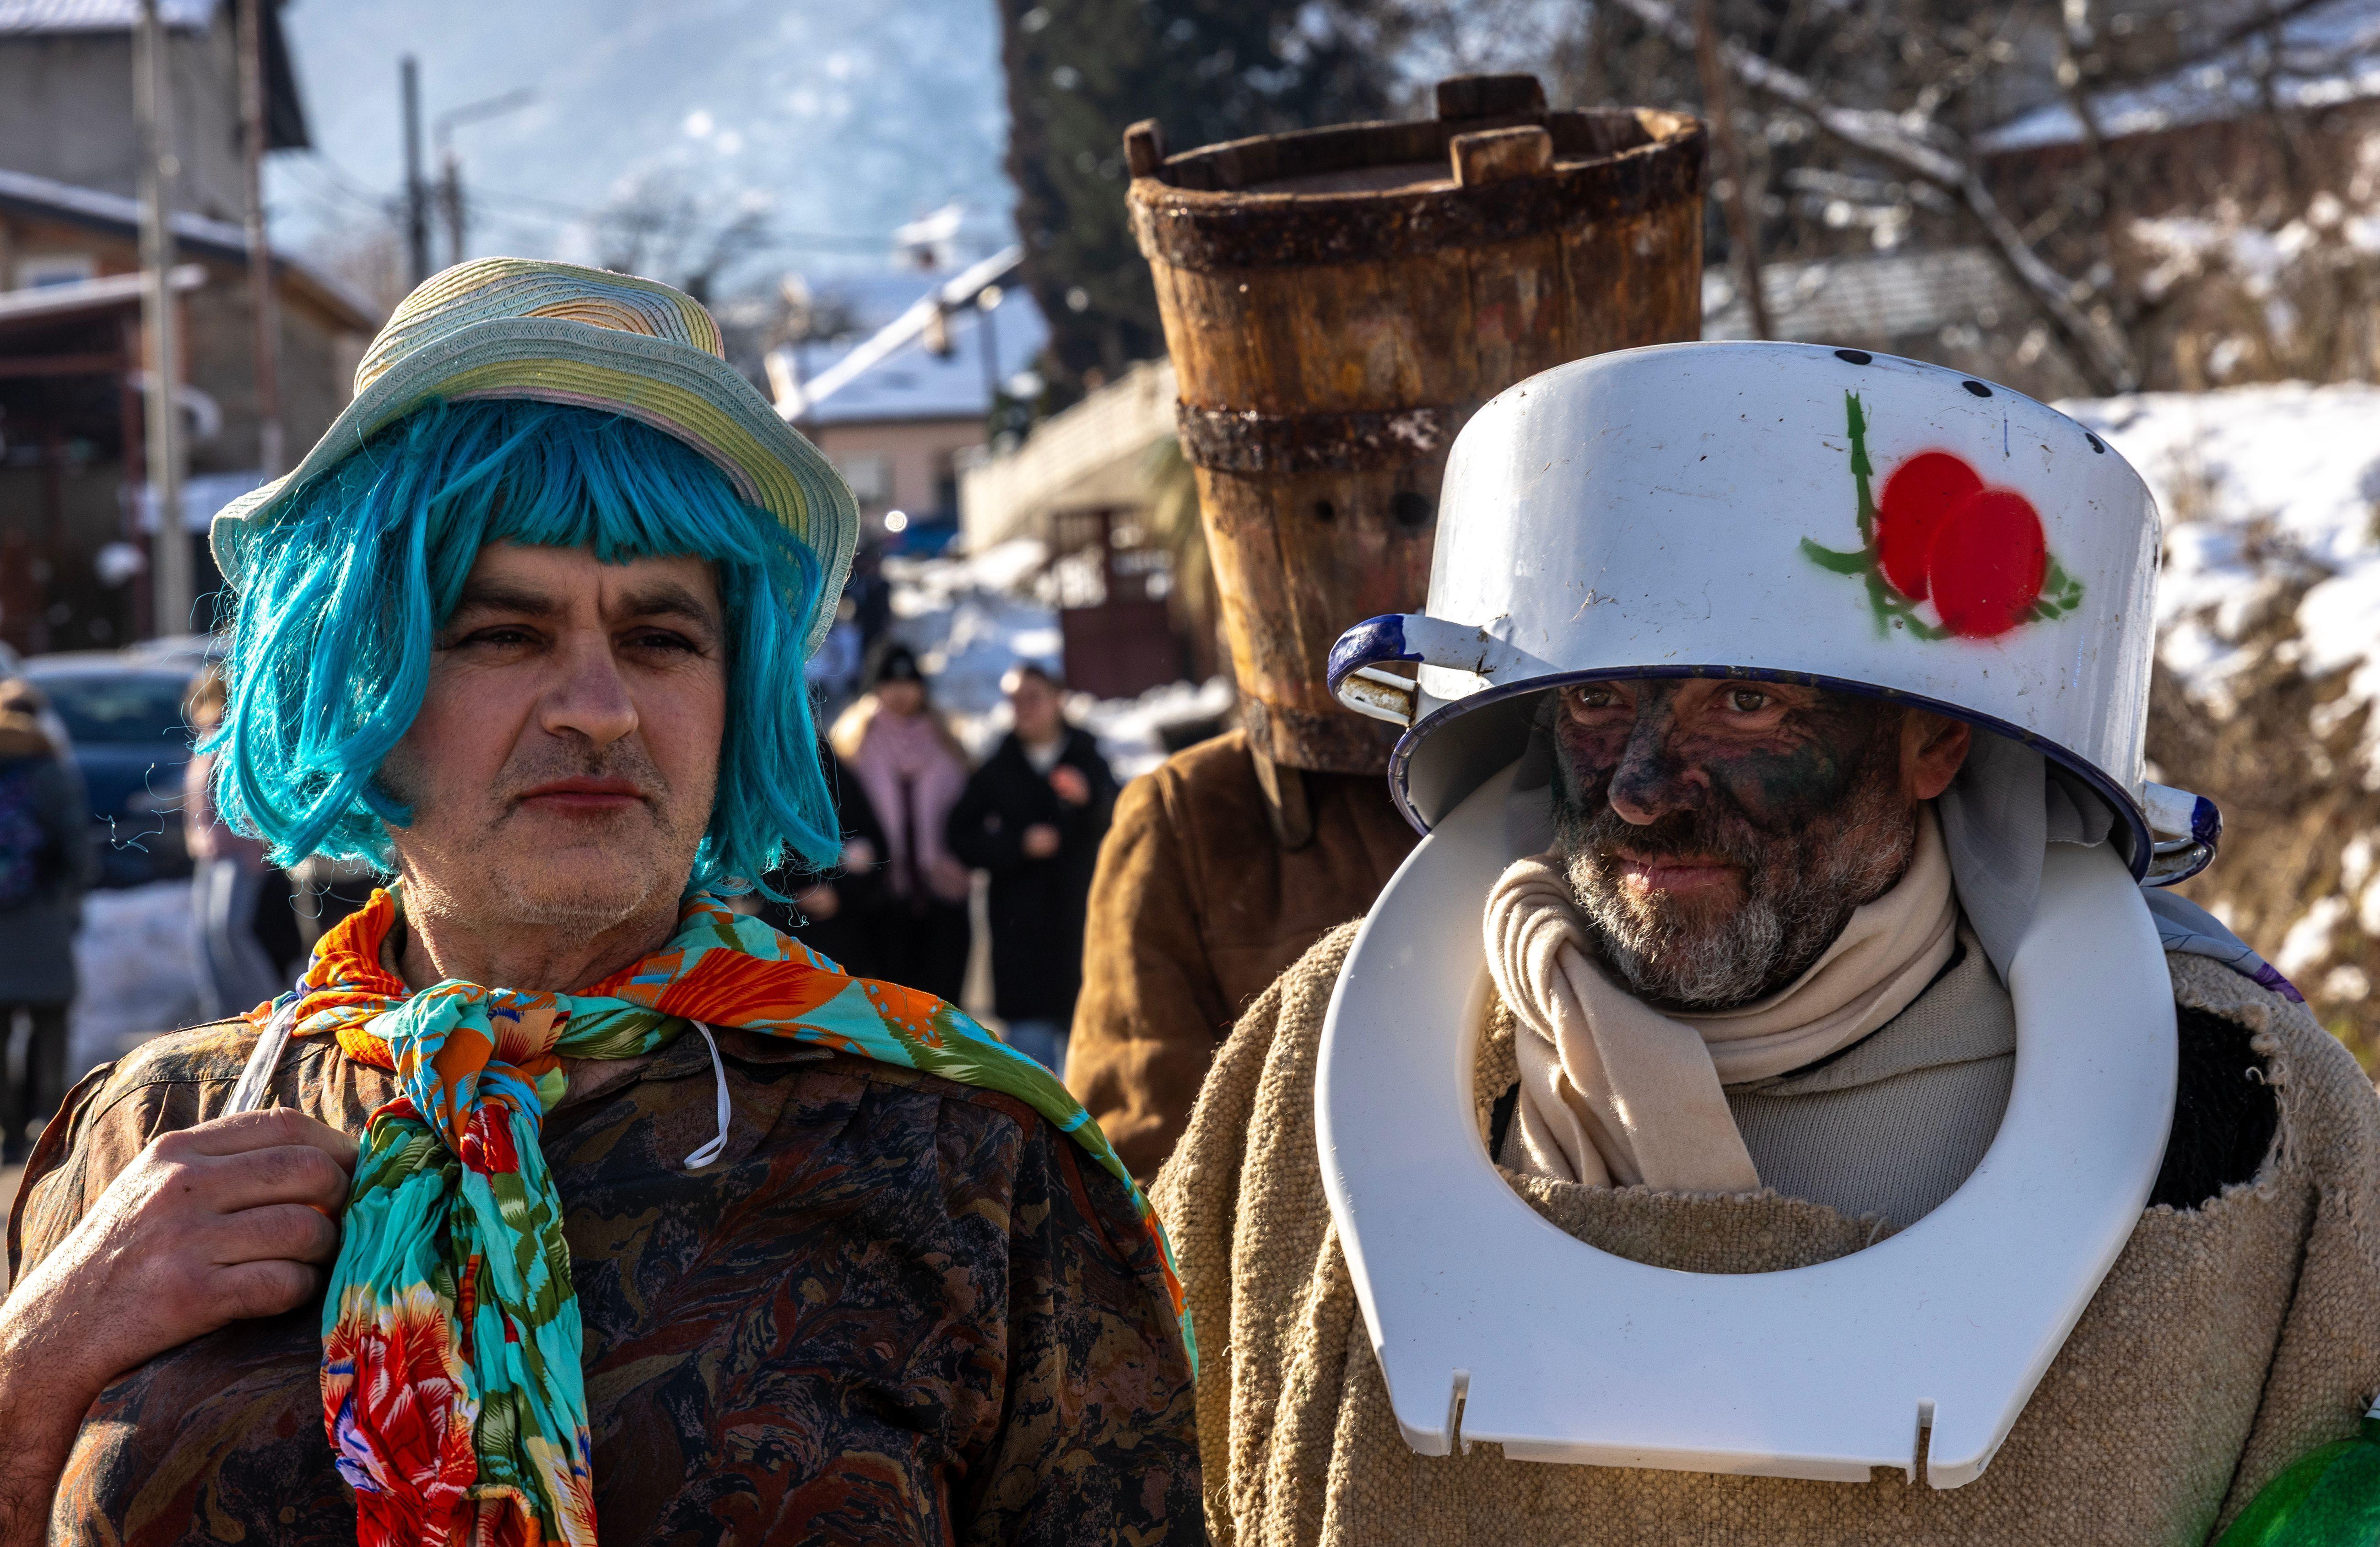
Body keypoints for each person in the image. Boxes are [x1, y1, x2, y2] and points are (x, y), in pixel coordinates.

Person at [0, 258, 1197, 1547]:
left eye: (662, 638)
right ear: (361, 685)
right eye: (502, 634)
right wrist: (35, 1361)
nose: (600, 706)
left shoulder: (971, 1165)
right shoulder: (150, 1137)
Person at [1157, 343, 2380, 1543]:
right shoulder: (1312, 1065)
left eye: (1743, 700)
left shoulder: (2240, 1118)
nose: (1640, 789)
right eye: (1594, 699)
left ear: (1935, 745)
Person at [947, 665, 1119, 1073]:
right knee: (1033, 1081)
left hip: (1086, 935)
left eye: (1033, 698)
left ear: (1058, 699)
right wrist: (1017, 845)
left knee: (1093, 1079)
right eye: (1014, 701)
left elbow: (1124, 820)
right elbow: (959, 837)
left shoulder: (1087, 757)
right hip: (1020, 944)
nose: (1022, 709)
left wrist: (1090, 798)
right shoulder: (997, 768)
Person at [829, 643, 973, 1003]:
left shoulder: (949, 743)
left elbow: (969, 812)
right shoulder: (852, 745)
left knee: (945, 1010)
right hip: (879, 898)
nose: (901, 692)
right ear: (876, 688)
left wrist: (960, 859)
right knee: (893, 1010)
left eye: (910, 682)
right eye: (890, 682)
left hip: (943, 895)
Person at [0, 680, 95, 1163]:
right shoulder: (48, 770)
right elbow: (77, 848)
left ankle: (7, 1129)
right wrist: (70, 895)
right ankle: (44, 1119)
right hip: (42, 916)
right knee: (49, 1020)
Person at [183, 664, 303, 1018]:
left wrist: (259, 845)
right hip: (212, 851)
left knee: (230, 931)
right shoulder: (206, 738)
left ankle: (266, 1005)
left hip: (239, 851)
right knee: (205, 937)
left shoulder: (235, 734)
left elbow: (251, 794)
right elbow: (197, 800)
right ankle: (220, 1012)